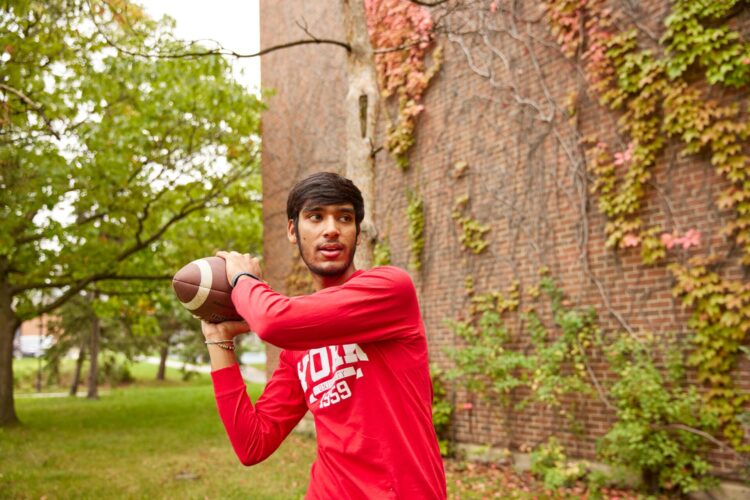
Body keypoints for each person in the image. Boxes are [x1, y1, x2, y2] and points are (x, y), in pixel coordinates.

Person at [201, 172, 447, 499]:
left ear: (357, 233)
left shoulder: (390, 290)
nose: (331, 228)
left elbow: (272, 322)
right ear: (293, 230)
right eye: (316, 217)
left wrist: (243, 278)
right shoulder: (299, 345)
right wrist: (218, 339)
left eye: (344, 218)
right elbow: (253, 444)